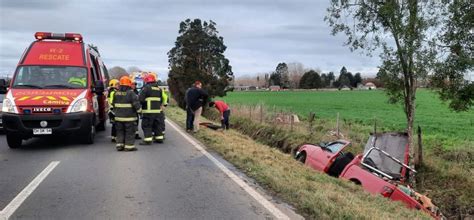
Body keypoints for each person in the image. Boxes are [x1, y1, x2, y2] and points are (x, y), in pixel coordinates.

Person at [112, 76, 142, 151]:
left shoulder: (116, 93)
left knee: (120, 131)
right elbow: (136, 104)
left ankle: (119, 145)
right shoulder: (131, 93)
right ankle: (129, 147)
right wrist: (140, 112)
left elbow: (113, 104)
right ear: (129, 84)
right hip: (129, 118)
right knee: (130, 132)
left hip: (118, 117)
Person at [138, 74, 166, 145]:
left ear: (147, 81)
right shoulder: (159, 89)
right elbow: (161, 99)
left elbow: (140, 99)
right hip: (157, 111)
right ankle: (159, 138)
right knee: (157, 125)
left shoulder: (146, 88)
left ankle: (148, 140)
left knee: (146, 125)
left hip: (148, 111)